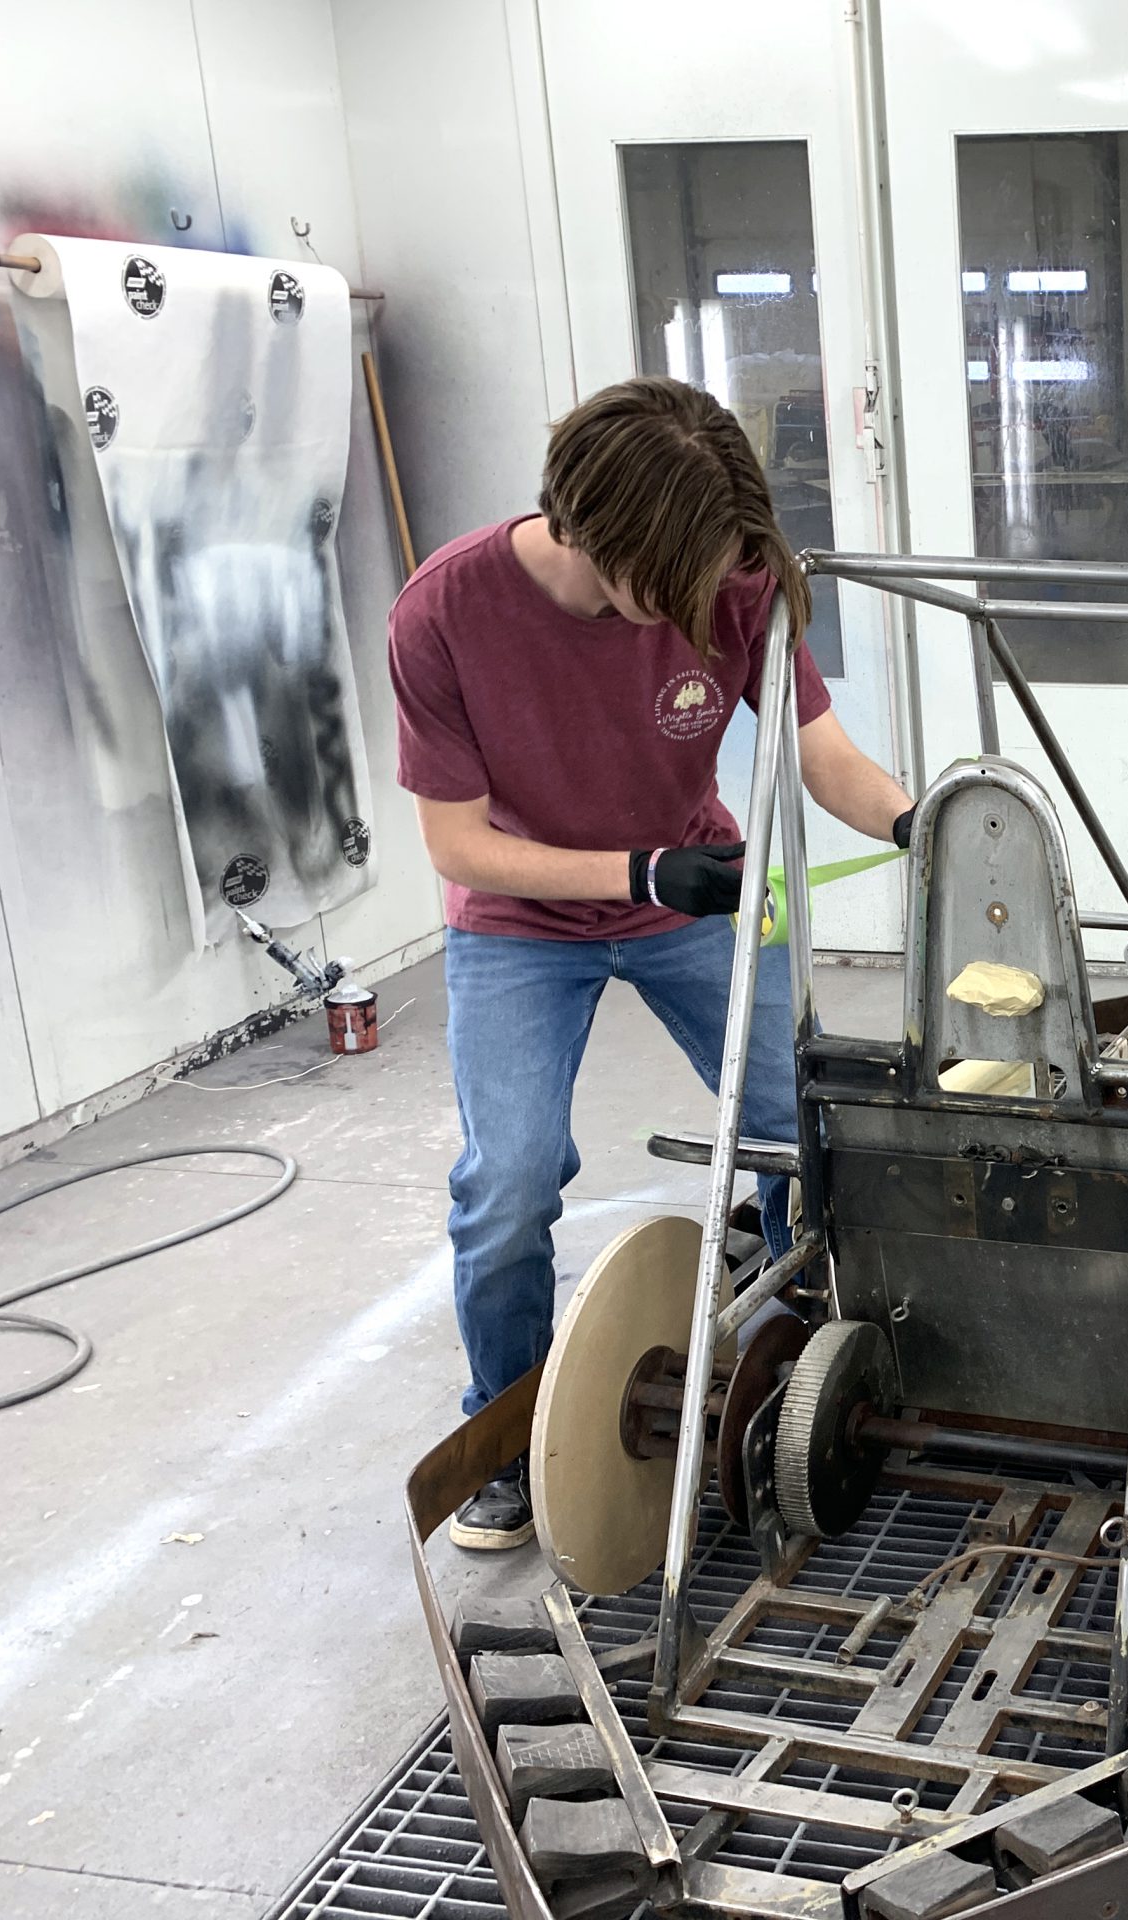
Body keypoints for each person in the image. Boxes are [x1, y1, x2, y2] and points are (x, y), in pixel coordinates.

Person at [390, 376, 914, 1551]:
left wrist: (924, 827)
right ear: (587, 534)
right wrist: (635, 873)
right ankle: (512, 1437)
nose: (708, 606)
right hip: (522, 917)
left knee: (806, 1129)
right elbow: (458, 841)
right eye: (674, 588)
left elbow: (820, 757)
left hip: (691, 889)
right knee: (509, 1186)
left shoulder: (735, 580)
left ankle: (812, 1379)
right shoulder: (444, 613)